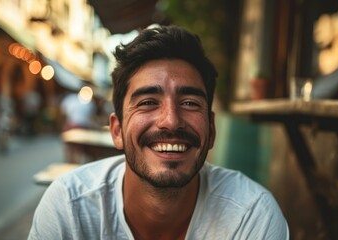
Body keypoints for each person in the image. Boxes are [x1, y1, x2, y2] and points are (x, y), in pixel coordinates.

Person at [28, 25, 289, 239]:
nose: (171, 121)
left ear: (211, 130)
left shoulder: (251, 217)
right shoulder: (70, 210)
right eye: (148, 102)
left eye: (189, 103)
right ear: (117, 130)